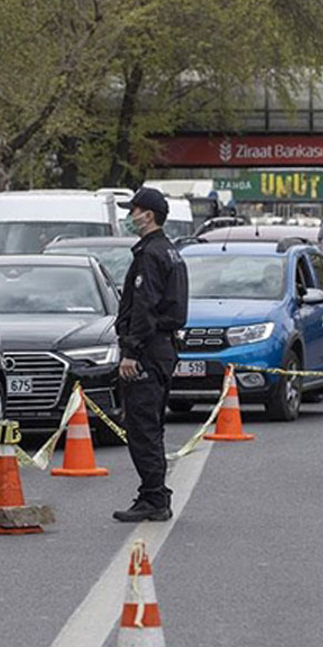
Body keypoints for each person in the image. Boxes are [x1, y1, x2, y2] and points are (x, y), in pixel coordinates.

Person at [113, 188, 189, 522]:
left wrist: (131, 351)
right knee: (151, 423)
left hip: (148, 349)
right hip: (163, 347)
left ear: (149, 215)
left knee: (142, 425)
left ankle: (155, 497)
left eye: (134, 211)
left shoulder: (150, 255)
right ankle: (153, 493)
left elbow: (144, 306)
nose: (131, 217)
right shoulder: (170, 251)